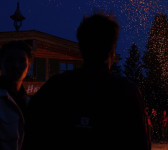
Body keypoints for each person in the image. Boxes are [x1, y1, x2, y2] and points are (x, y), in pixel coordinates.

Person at [23, 12, 150, 150]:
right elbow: (140, 143)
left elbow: (31, 137)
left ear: (81, 47)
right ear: (112, 49)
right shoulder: (126, 92)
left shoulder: (55, 89)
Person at [0, 41, 32, 150]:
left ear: (28, 67)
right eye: (10, 60)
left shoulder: (30, 103)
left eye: (22, 60)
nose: (16, 65)